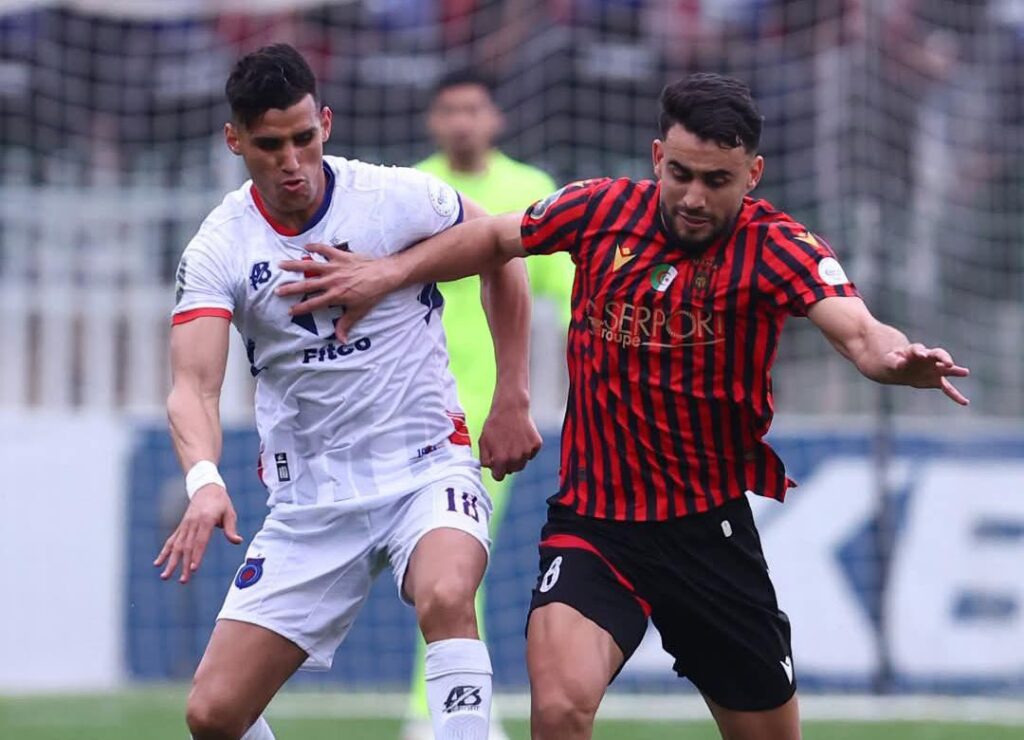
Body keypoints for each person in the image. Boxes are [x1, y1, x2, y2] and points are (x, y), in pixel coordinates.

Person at [277, 73, 970, 740]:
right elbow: (493, 238)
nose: (693, 197)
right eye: (681, 174)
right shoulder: (601, 210)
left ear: (752, 175)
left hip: (708, 534)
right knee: (559, 709)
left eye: (717, 181)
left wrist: (894, 360)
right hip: (595, 527)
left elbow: (859, 331)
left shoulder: (778, 246)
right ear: (658, 157)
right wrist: (386, 274)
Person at [154, 43, 541, 740]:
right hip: (313, 498)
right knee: (213, 715)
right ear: (235, 140)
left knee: (448, 593)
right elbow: (193, 386)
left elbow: (501, 251)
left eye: (304, 138)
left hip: (426, 464)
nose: (292, 161)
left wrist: (513, 393)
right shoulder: (220, 246)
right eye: (270, 145)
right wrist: (204, 479)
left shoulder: (394, 198)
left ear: (326, 123)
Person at [403, 69, 574, 740]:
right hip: (403, 408)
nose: (462, 122)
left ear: (495, 118)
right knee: (430, 567)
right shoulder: (410, 190)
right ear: (433, 121)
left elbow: (571, 291)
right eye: (449, 110)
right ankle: (446, 711)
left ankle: (437, 714)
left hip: (484, 418)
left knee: (454, 564)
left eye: (473, 109)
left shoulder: (529, 189)